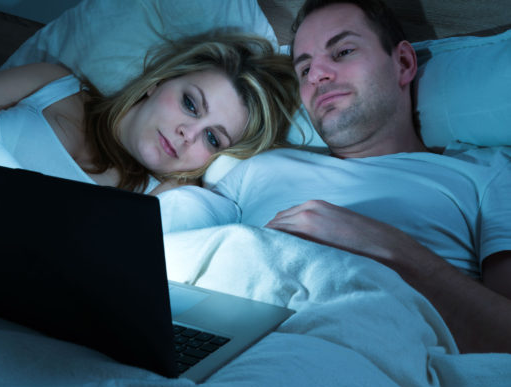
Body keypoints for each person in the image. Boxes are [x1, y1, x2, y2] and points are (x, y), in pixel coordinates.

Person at [210, 0, 511, 354]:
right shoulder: (255, 169)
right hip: (227, 350)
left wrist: (376, 243)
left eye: (342, 51)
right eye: (304, 69)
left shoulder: (487, 174)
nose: (317, 75)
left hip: (375, 357)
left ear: (403, 63)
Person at [0, 30, 300, 195]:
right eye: (190, 104)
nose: (189, 132)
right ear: (159, 81)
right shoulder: (50, 84)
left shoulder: (165, 197)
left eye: (212, 138)